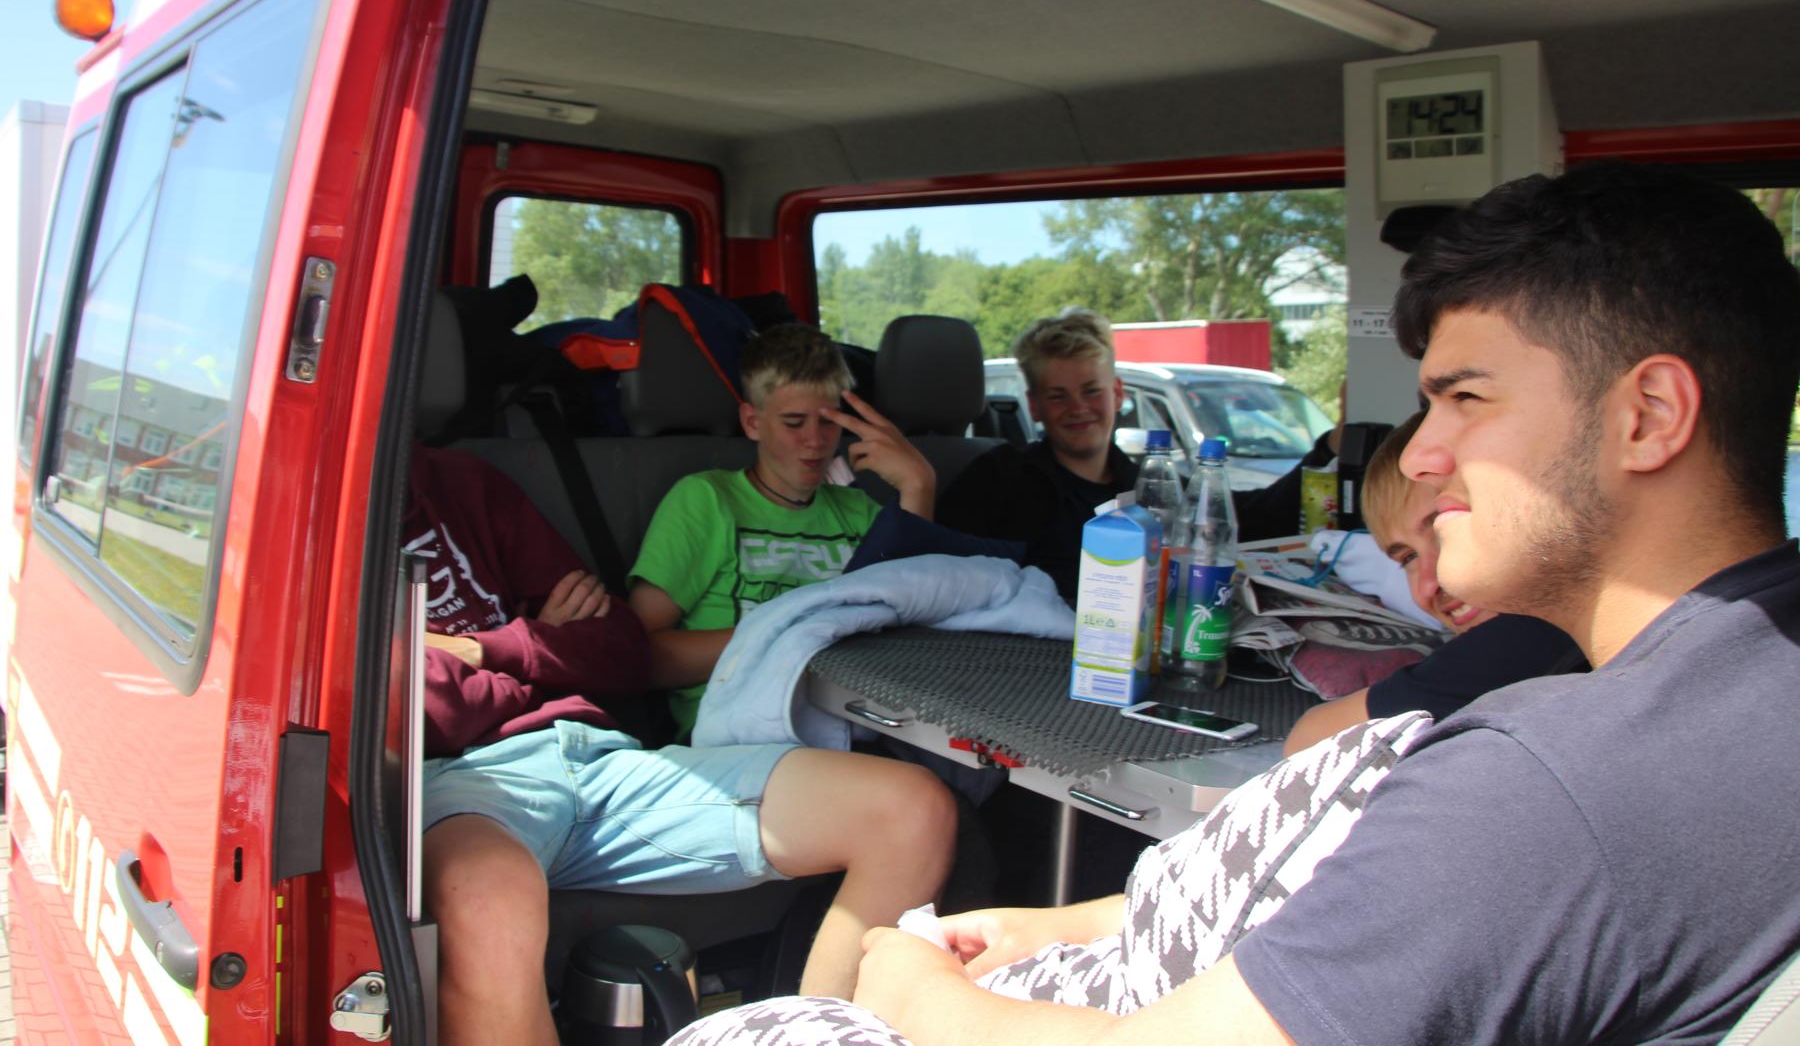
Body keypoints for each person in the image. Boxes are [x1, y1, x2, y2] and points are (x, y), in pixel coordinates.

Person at [664, 160, 1800, 1045]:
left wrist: (909, 983)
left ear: (1649, 415)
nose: (1425, 453)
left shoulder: (1536, 785)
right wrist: (1065, 924)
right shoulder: (1749, 687)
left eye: (1465, 398)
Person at [411, 445, 957, 1046]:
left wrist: (486, 649)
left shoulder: (461, 483)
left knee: (911, 812)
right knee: (484, 897)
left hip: (600, 754)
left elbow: (622, 649)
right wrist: (545, 646)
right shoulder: (330, 517)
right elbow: (411, 701)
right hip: (463, 777)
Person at [627, 322, 938, 738]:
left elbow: (914, 617)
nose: (815, 441)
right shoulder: (707, 501)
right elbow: (640, 658)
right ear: (752, 421)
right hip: (738, 733)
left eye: (829, 423)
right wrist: (794, 637)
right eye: (794, 422)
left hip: (852, 719)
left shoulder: (857, 511)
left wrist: (918, 485)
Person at [939, 310, 1334, 602]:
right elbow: (944, 566)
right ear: (1035, 406)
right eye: (1058, 396)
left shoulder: (1152, 488)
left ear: (1117, 394)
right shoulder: (1000, 477)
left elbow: (1242, 518)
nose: (1078, 408)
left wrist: (1329, 448)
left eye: (1092, 391)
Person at [1282, 410, 1583, 754]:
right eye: (1408, 558)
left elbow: (1309, 740)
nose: (1430, 582)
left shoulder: (1531, 633)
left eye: (1445, 528)